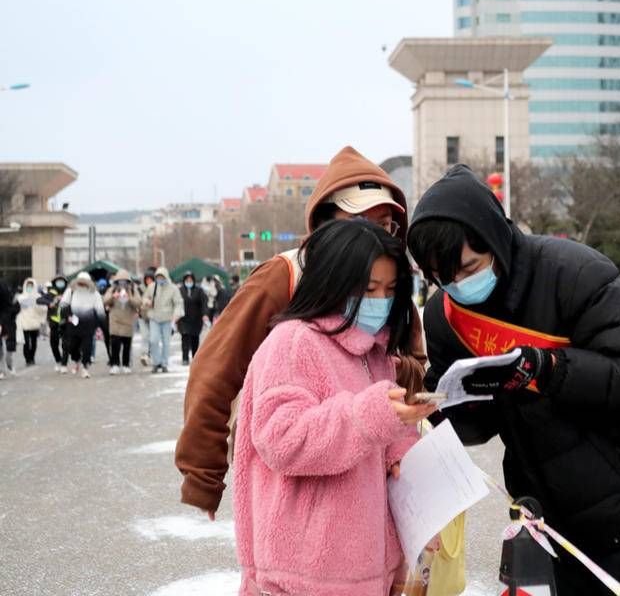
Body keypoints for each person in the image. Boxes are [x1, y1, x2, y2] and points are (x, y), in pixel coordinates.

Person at [408, 165, 620, 595]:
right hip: (544, 520)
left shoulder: (575, 273)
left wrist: (548, 369)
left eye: (469, 268)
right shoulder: (444, 316)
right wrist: (443, 406)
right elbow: (477, 426)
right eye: (442, 278)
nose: (457, 285)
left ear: (496, 239)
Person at [176, 145, 427, 520]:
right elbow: (217, 368)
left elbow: (415, 367)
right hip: (294, 489)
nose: (376, 235)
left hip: (372, 479)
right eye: (361, 221)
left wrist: (391, 376)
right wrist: (203, 476)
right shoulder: (285, 275)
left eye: (386, 224)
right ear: (327, 223)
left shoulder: (390, 283)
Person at [233, 218, 434, 595]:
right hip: (303, 576)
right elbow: (282, 438)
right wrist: (368, 416)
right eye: (369, 288)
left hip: (370, 569)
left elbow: (380, 436)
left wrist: (405, 448)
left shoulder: (375, 351)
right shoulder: (292, 343)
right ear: (333, 281)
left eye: (390, 290)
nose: (380, 302)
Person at [59, 272, 107, 379]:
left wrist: (100, 325)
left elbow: (100, 311)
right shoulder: (70, 291)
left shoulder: (95, 294)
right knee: (72, 347)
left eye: (84, 283)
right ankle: (77, 360)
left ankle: (85, 367)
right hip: (73, 323)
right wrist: (68, 316)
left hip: (88, 325)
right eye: (80, 283)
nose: (82, 285)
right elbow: (63, 305)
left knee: (87, 347)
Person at [142, 267, 184, 374]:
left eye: (162, 277)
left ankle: (164, 363)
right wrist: (147, 302)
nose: (160, 279)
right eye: (158, 277)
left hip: (167, 319)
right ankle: (156, 362)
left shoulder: (173, 289)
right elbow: (145, 297)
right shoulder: (152, 287)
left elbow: (178, 303)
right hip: (154, 317)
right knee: (153, 340)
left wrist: (176, 316)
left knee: (166, 342)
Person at [103, 270, 142, 375]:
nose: (122, 284)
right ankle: (115, 364)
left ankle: (126, 365)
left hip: (128, 321)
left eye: (125, 282)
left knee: (127, 344)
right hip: (115, 320)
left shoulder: (133, 290)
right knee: (115, 344)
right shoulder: (112, 290)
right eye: (120, 281)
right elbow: (105, 300)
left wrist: (130, 299)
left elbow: (139, 303)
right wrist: (113, 296)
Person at [37, 275, 69, 372]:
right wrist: (50, 302)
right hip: (54, 322)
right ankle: (58, 361)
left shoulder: (68, 292)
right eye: (58, 281)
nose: (60, 283)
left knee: (66, 344)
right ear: (54, 283)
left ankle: (64, 364)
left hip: (66, 321)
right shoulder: (51, 293)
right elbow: (39, 300)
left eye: (62, 281)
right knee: (54, 343)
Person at [177, 271, 208, 365]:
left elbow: (204, 303)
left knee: (195, 338)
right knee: (185, 338)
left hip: (196, 319)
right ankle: (185, 358)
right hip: (183, 319)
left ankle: (195, 357)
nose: (189, 282)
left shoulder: (199, 290)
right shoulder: (180, 290)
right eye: (187, 280)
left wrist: (205, 314)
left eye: (190, 280)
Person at [15, 278, 46, 366]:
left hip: (34, 323)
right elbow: (16, 309)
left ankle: (32, 357)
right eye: (28, 286)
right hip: (24, 322)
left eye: (31, 286)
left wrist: (36, 305)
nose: (29, 287)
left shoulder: (38, 297)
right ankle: (27, 359)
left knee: (33, 342)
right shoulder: (20, 298)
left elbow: (43, 309)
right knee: (26, 342)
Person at [0, 278, 19, 379]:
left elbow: (14, 307)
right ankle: (2, 370)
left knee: (9, 347)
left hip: (8, 322)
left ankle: (9, 365)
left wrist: (6, 318)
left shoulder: (5, 288)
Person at [138, 267, 157, 367]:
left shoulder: (156, 289)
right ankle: (144, 354)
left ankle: (152, 355)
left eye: (151, 279)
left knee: (153, 337)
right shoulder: (140, 289)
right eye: (147, 279)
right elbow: (138, 301)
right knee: (145, 336)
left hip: (153, 316)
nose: (148, 281)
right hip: (142, 316)